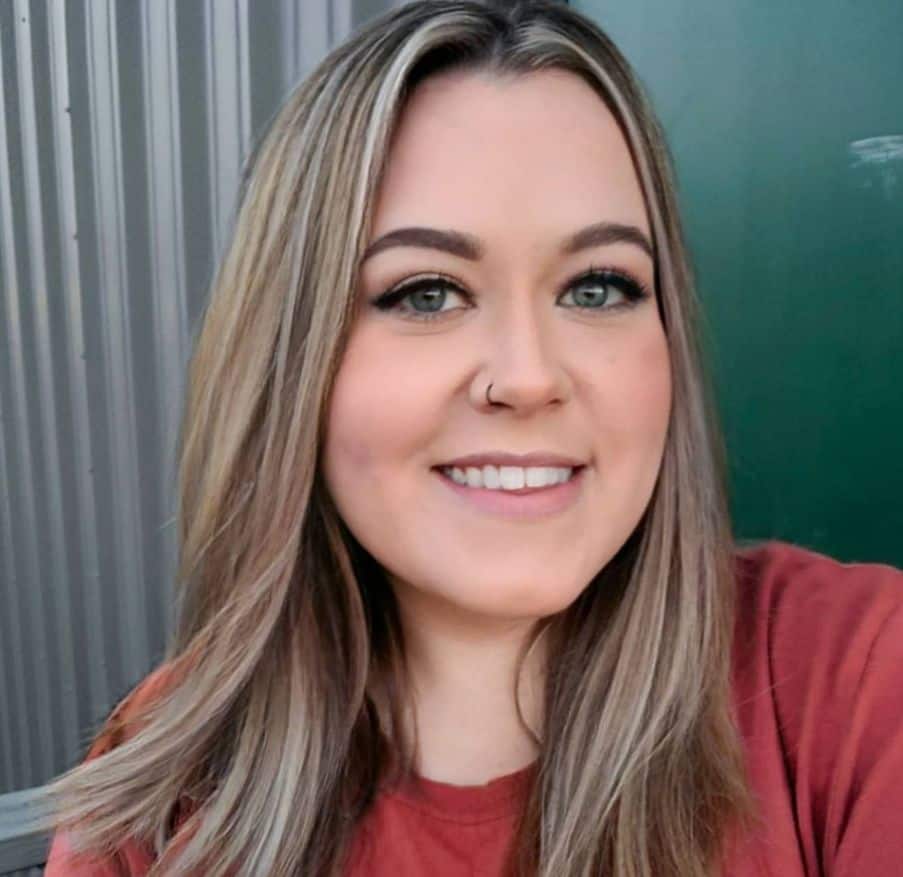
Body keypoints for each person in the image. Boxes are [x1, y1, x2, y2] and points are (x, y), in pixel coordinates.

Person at [39, 1, 903, 875]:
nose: (528, 376)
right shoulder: (157, 794)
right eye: (425, 292)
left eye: (598, 286)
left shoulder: (857, 676)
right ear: (292, 362)